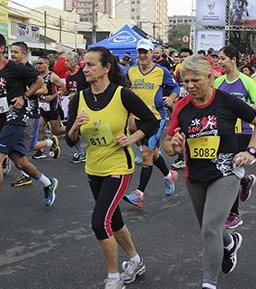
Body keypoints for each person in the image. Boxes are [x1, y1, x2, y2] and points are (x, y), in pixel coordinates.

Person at [163, 54, 256, 289]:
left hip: (226, 171)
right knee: (209, 227)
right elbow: (168, 145)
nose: (189, 86)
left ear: (210, 77)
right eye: (185, 81)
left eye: (195, 80)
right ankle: (230, 243)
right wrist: (175, 146)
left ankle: (209, 283)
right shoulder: (182, 106)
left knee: (210, 229)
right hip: (195, 175)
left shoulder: (226, 101)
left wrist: (251, 151)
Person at [66, 46, 156, 289]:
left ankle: (114, 278)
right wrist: (75, 125)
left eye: (90, 64)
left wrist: (132, 138)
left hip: (119, 165)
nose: (85, 68)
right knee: (113, 219)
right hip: (93, 167)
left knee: (99, 221)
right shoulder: (79, 98)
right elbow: (70, 139)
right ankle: (136, 261)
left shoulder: (122, 95)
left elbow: (151, 121)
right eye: (84, 64)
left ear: (106, 68)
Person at [0, 33, 58, 223]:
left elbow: (39, 82)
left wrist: (24, 96)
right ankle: (48, 182)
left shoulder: (16, 68)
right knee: (20, 162)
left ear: (2, 48)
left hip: (16, 116)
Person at [214, 45, 256, 229]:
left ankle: (234, 214)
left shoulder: (247, 82)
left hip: (243, 131)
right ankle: (245, 182)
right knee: (224, 169)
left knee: (230, 169)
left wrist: (244, 106)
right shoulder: (218, 82)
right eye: (218, 59)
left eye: (222, 58)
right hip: (223, 132)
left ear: (233, 59)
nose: (219, 62)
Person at [124, 38, 180, 208]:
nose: (142, 55)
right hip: (140, 117)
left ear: (151, 54)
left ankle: (139, 194)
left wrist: (171, 99)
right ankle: (169, 175)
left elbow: (176, 87)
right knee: (153, 152)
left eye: (145, 52)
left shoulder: (161, 71)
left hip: (156, 117)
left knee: (147, 154)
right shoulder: (131, 71)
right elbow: (125, 88)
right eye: (139, 52)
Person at [8, 43, 62, 187]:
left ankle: (28, 175)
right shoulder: (11, 68)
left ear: (24, 54)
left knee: (25, 146)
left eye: (16, 52)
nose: (13, 54)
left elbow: (44, 89)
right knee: (21, 145)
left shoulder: (28, 70)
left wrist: (26, 92)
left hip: (30, 111)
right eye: (11, 51)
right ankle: (50, 143)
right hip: (16, 112)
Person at [65, 51, 90, 164]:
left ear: (75, 62)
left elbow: (90, 88)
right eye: (65, 61)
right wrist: (61, 93)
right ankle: (81, 153)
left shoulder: (83, 73)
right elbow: (68, 89)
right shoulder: (68, 75)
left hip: (84, 106)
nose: (66, 63)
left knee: (88, 129)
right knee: (71, 130)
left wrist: (78, 95)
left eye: (68, 61)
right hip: (73, 106)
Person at [170, 48, 193, 170]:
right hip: (181, 104)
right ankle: (180, 159)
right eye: (182, 57)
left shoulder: (195, 71)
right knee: (179, 132)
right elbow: (178, 87)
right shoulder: (178, 72)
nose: (183, 59)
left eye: (186, 57)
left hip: (194, 106)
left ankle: (191, 158)